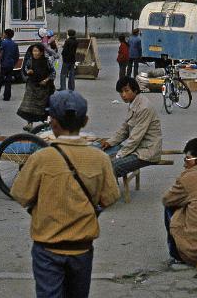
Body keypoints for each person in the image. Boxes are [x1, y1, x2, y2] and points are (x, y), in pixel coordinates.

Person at [10, 90, 120, 298]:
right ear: (85, 121)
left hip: (47, 249)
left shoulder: (41, 158)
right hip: (82, 249)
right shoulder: (100, 159)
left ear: (52, 122)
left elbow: (21, 195)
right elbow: (109, 198)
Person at [99, 77, 163, 177]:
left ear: (135, 90)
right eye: (121, 92)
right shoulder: (133, 103)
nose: (123, 95)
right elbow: (124, 129)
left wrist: (118, 155)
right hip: (136, 148)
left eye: (126, 91)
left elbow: (135, 138)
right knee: (100, 150)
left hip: (146, 152)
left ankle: (111, 192)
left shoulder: (144, 107)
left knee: (111, 166)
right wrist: (110, 142)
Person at [17, 43, 55, 129]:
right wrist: (28, 72)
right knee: (29, 106)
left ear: (41, 52)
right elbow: (26, 68)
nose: (35, 53)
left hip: (44, 87)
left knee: (44, 106)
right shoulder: (30, 60)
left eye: (36, 51)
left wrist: (46, 80)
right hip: (32, 85)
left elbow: (53, 72)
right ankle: (29, 124)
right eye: (33, 51)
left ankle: (46, 123)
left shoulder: (47, 61)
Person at [0, 29, 20, 101]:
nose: (3, 34)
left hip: (3, 64)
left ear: (6, 35)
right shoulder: (14, 44)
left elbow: (1, 54)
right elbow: (17, 55)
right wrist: (14, 63)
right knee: (8, 81)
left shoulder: (3, 43)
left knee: (0, 81)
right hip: (10, 64)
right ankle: (7, 96)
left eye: (4, 33)